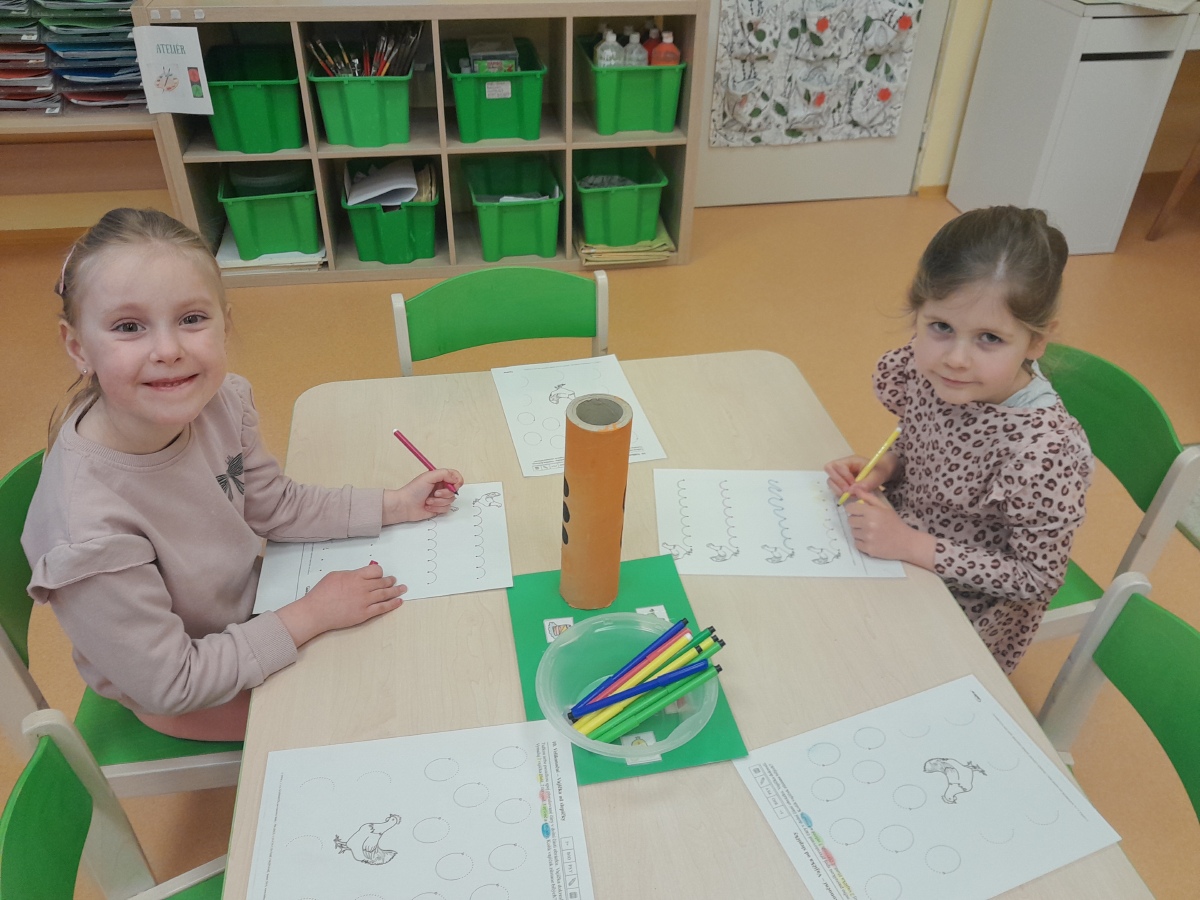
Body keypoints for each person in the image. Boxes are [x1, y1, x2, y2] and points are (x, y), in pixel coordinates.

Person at [21, 208, 464, 741]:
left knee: (421, 651)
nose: (169, 351)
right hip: (190, 688)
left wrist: (395, 504)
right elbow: (172, 683)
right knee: (381, 717)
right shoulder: (85, 532)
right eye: (128, 327)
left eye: (192, 319)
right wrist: (312, 614)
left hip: (254, 613)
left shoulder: (217, 401)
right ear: (78, 348)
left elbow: (273, 505)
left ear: (224, 323)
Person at [825, 206, 1092, 674]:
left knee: (850, 667)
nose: (956, 359)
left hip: (966, 606)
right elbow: (921, 441)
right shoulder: (928, 371)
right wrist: (887, 466)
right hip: (895, 548)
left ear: (1036, 342)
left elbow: (1037, 578)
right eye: (941, 327)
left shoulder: (1045, 451)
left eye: (989, 338)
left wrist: (911, 545)